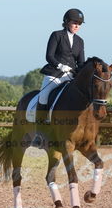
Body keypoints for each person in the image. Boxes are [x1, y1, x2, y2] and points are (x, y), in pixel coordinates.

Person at [33, 8, 85, 146]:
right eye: (75, 23)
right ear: (67, 22)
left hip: (70, 76)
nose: (77, 26)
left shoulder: (80, 41)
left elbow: (81, 62)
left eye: (79, 24)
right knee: (44, 96)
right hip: (55, 74)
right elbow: (49, 56)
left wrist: (78, 72)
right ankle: (39, 133)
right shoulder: (56, 35)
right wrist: (60, 66)